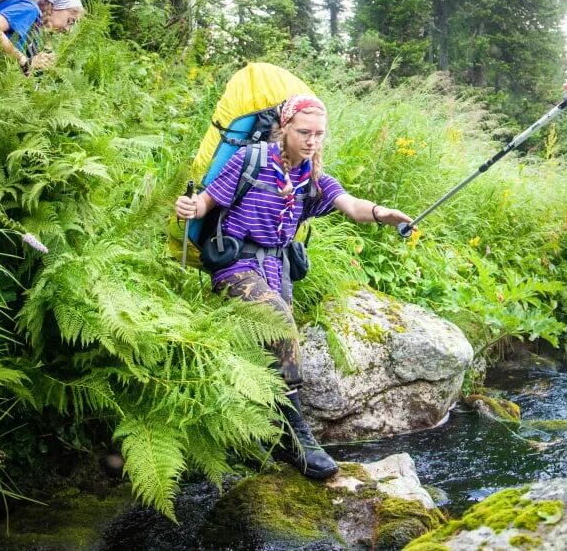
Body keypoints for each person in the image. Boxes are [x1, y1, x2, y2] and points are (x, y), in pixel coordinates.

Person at [174, 94, 412, 480]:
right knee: (280, 324)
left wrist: (383, 214)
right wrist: (190, 208)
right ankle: (294, 439)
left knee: (273, 344)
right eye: (304, 132)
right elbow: (205, 202)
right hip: (234, 265)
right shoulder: (249, 160)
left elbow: (350, 205)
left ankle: (262, 433)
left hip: (277, 272)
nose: (312, 141)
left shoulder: (312, 178)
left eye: (319, 134)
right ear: (284, 128)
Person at [0, 0, 84, 73]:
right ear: (56, 7)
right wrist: (24, 61)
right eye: (70, 21)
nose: (68, 29)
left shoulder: (36, 33)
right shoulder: (30, 9)